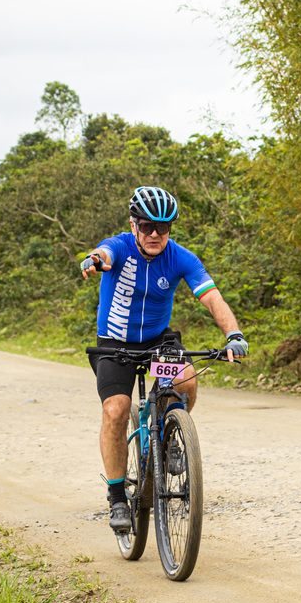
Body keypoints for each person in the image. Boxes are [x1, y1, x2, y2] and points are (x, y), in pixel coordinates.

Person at [79, 186, 248, 533]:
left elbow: (212, 298)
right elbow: (103, 252)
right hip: (115, 344)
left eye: (163, 227)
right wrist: (94, 260)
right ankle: (117, 497)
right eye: (147, 226)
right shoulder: (119, 247)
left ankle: (168, 437)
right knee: (116, 409)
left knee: (185, 380)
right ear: (134, 225)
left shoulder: (181, 258)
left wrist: (234, 334)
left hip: (158, 342)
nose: (155, 234)